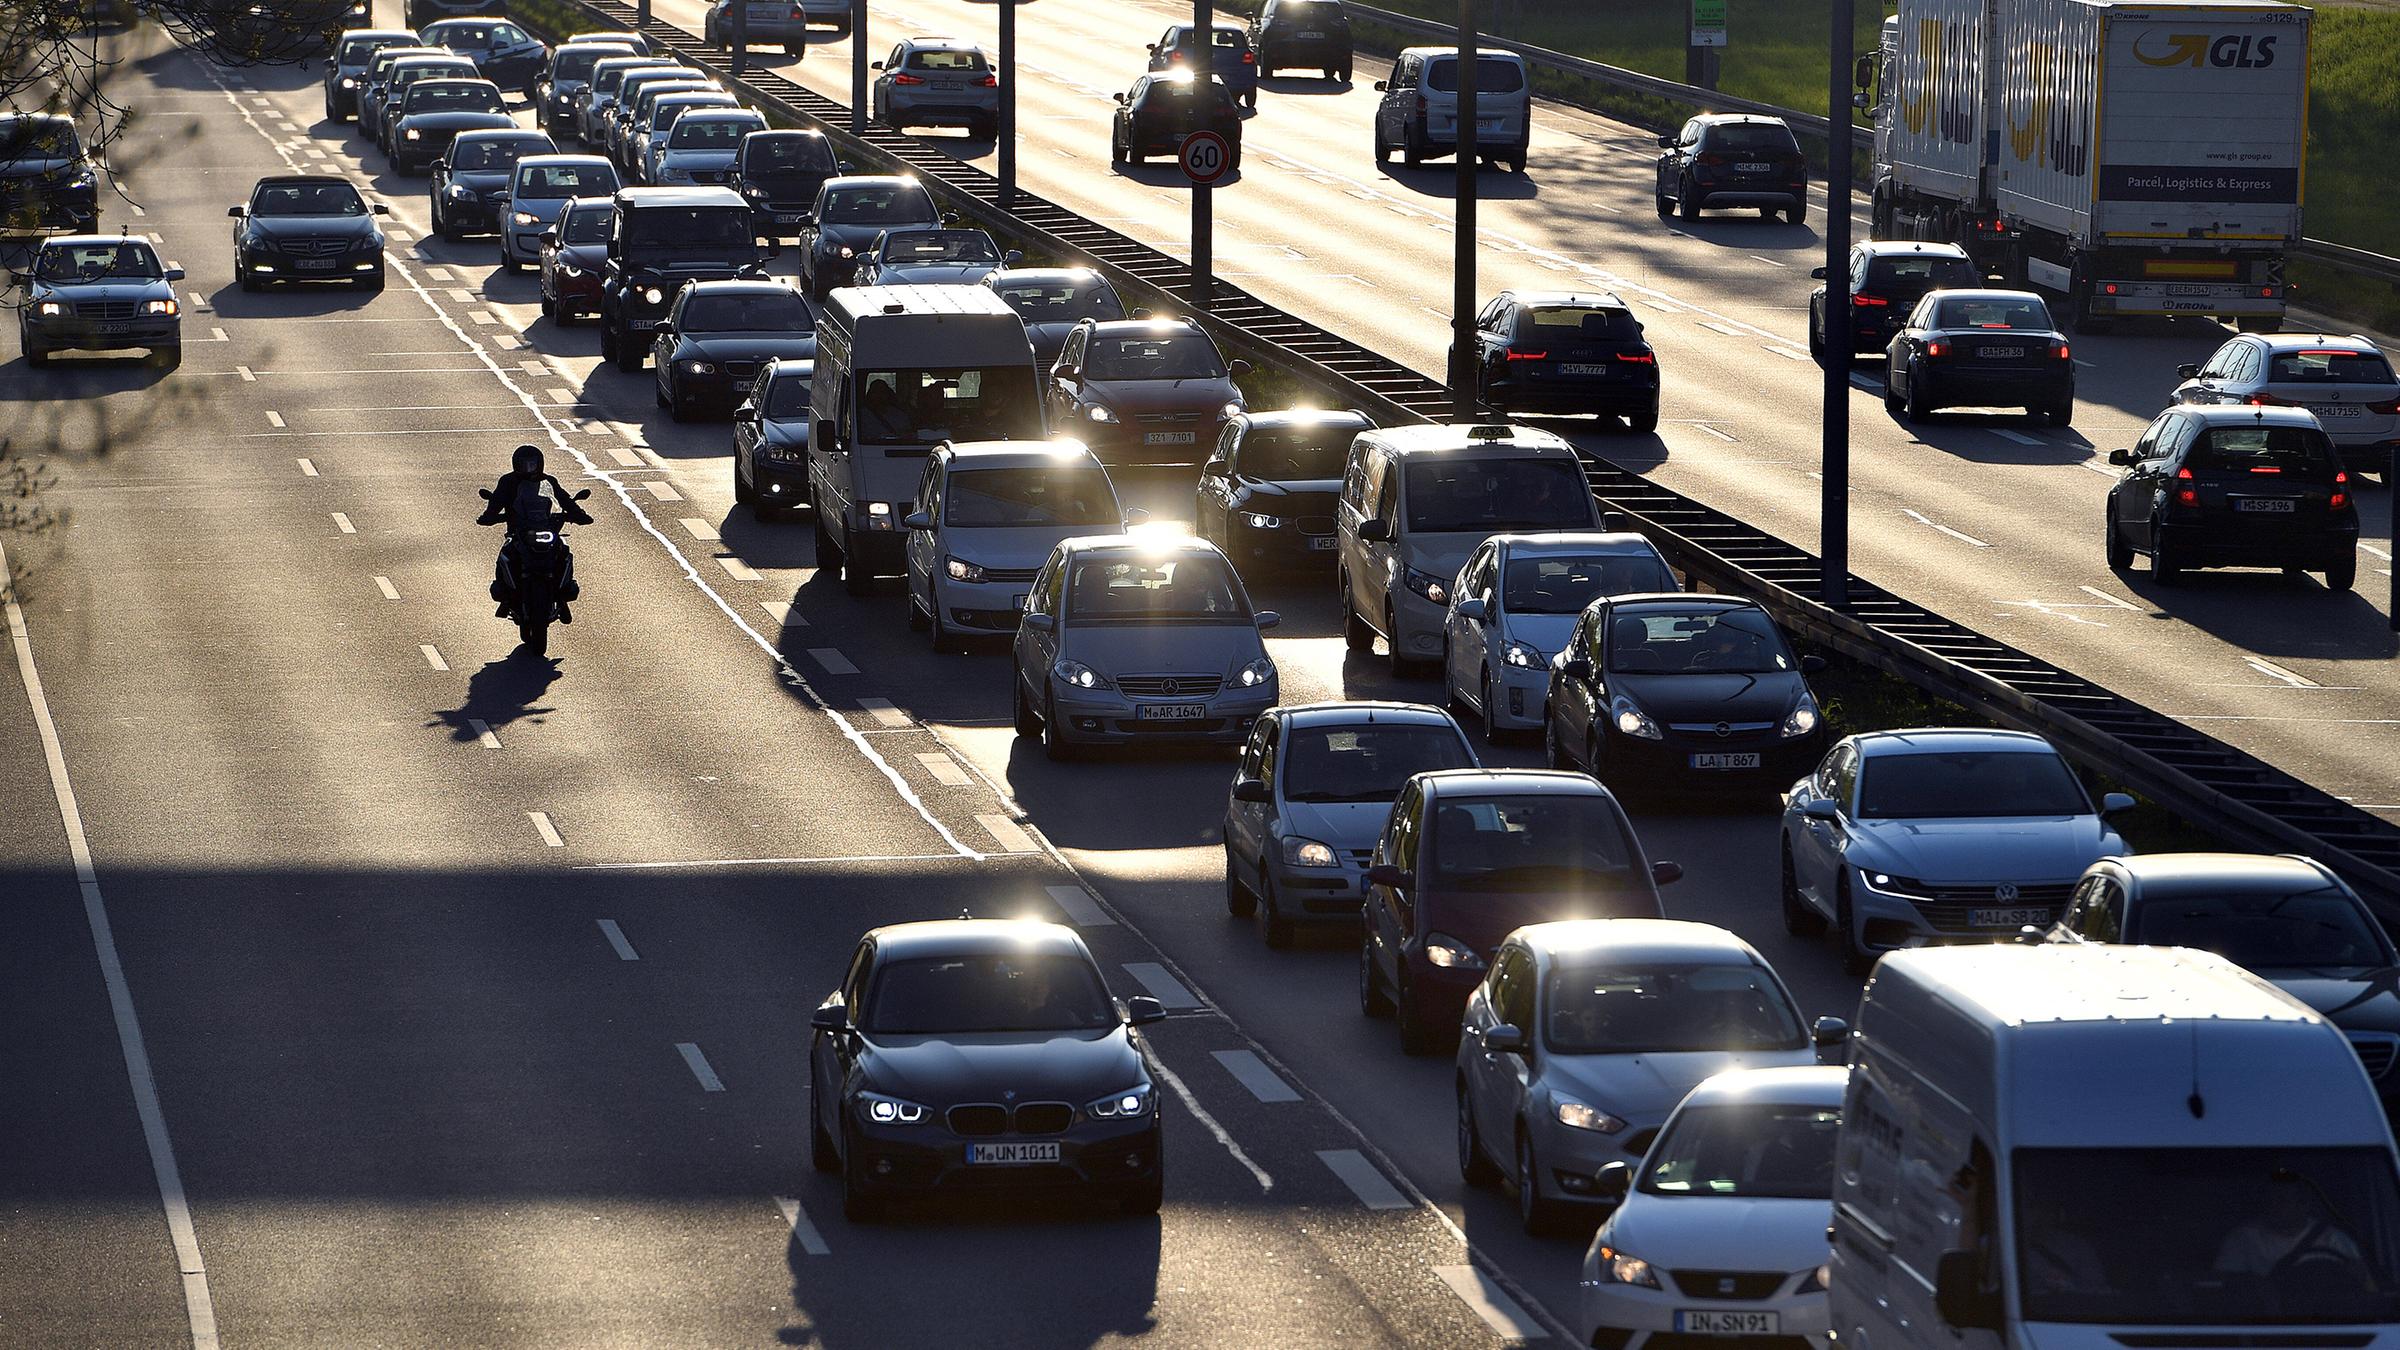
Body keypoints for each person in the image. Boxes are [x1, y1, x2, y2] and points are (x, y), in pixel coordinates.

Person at [477, 444, 592, 622]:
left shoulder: (548, 482)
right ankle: (506, 597)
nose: (528, 468)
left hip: (546, 527)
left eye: (532, 464)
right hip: (519, 531)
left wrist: (579, 515)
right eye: (524, 464)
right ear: (516, 465)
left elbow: (563, 499)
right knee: (506, 555)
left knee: (563, 552)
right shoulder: (508, 482)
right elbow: (497, 501)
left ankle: (563, 596)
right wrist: (488, 516)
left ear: (540, 464)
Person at [2216, 1173, 2366, 1284]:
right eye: (2270, 1199)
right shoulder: (2244, 1239)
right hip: (2264, 1321)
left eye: (2283, 1200)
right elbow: (2225, 1285)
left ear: (2304, 1205)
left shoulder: (2333, 1240)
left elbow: (2363, 1283)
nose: (2274, 1206)